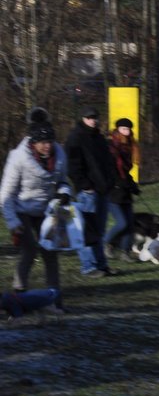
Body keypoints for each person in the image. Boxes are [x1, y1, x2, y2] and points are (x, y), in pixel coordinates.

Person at [0, 115, 71, 309]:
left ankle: (54, 298)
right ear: (33, 143)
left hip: (45, 211)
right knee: (30, 249)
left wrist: (64, 194)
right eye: (42, 143)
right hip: (21, 208)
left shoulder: (60, 156)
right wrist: (13, 223)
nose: (47, 146)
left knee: (50, 252)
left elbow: (63, 182)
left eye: (49, 142)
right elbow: (5, 194)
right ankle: (19, 291)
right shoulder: (18, 158)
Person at [66, 106, 119, 277]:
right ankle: (88, 266)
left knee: (99, 230)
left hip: (102, 189)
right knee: (87, 231)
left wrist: (111, 180)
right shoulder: (75, 137)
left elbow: (109, 161)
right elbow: (72, 166)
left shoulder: (99, 138)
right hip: (87, 192)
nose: (93, 120)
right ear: (83, 118)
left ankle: (101, 264)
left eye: (95, 117)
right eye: (89, 117)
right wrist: (85, 185)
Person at [105, 118, 140, 262]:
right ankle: (106, 242)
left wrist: (132, 185)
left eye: (128, 129)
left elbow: (126, 172)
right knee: (122, 223)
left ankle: (125, 252)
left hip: (124, 190)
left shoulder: (131, 146)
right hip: (113, 191)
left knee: (130, 224)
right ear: (117, 129)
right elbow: (110, 170)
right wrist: (121, 183)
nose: (126, 131)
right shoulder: (110, 146)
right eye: (123, 129)